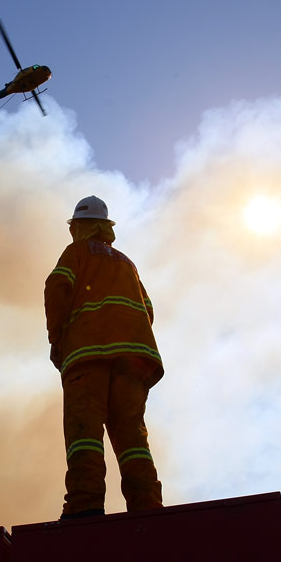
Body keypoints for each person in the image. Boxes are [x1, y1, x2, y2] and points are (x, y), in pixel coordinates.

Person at [44, 195, 165, 519]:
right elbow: (147, 309)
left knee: (84, 434)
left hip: (88, 356)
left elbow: (57, 288)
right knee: (133, 439)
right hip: (134, 362)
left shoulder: (77, 253)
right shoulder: (126, 263)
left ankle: (85, 506)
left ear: (80, 227)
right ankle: (147, 507)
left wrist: (57, 339)